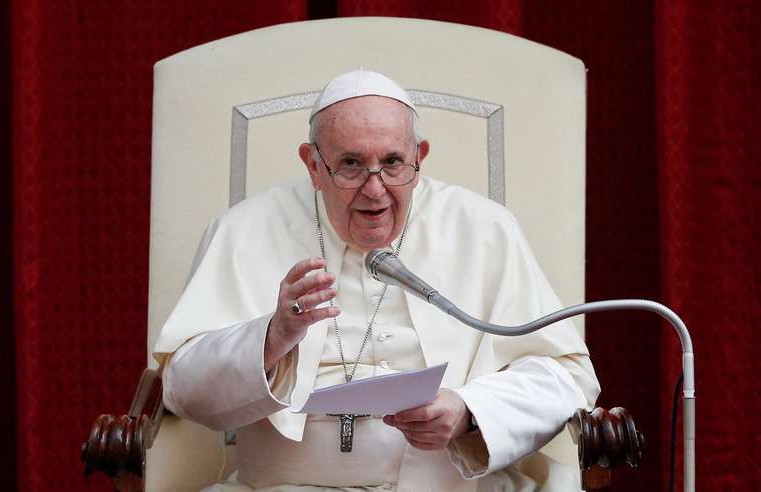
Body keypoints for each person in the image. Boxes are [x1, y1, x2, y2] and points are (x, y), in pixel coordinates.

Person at [154, 69, 600, 492]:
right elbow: (181, 390)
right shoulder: (243, 231)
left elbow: (566, 376)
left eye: (392, 163)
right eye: (350, 164)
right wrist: (270, 339)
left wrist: (470, 412)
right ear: (313, 164)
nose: (375, 189)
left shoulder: (484, 229)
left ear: (419, 157)